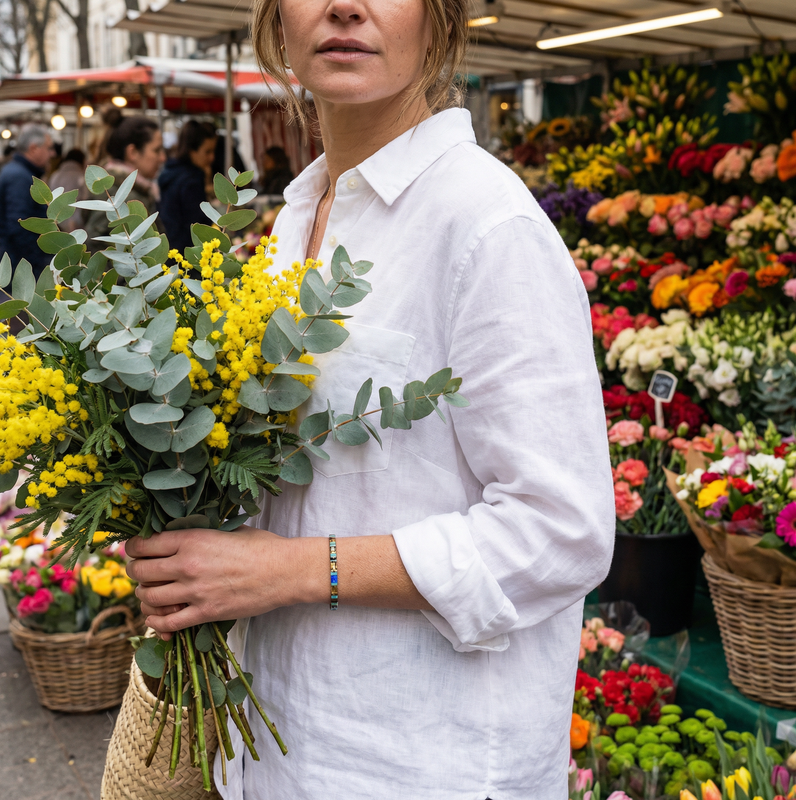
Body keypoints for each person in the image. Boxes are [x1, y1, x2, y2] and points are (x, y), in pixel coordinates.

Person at [125, 2, 615, 799]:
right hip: (276, 749)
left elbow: (562, 530)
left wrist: (291, 570)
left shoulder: (486, 224)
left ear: (439, 18)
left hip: (419, 762)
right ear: (277, 18)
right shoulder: (294, 220)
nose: (346, 5)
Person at [84, 115, 166, 248]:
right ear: (132, 152)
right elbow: (96, 247)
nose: (162, 158)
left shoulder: (131, 189)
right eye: (156, 150)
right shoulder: (116, 196)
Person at [0, 124, 55, 277]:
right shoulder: (19, 177)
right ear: (34, 148)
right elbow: (18, 225)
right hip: (20, 265)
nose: (52, 153)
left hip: (17, 261)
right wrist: (36, 263)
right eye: (48, 148)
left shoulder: (17, 172)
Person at [158, 120, 217, 254]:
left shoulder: (171, 173)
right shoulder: (191, 181)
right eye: (207, 152)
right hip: (187, 255)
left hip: (170, 249)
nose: (212, 157)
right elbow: (197, 226)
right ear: (192, 151)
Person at [49, 148, 86, 233]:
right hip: (76, 224)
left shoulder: (55, 175)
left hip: (55, 221)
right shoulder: (81, 177)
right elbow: (84, 199)